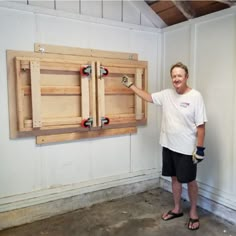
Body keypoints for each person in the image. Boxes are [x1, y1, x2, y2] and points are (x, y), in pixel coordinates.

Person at [121, 62, 207, 231]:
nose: (176, 79)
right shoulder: (167, 94)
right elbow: (148, 97)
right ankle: (177, 209)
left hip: (186, 149)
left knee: (190, 181)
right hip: (168, 145)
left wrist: (200, 149)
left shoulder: (195, 96)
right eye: (174, 76)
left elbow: (201, 126)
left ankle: (194, 213)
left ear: (186, 77)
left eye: (179, 75)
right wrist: (131, 85)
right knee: (174, 178)